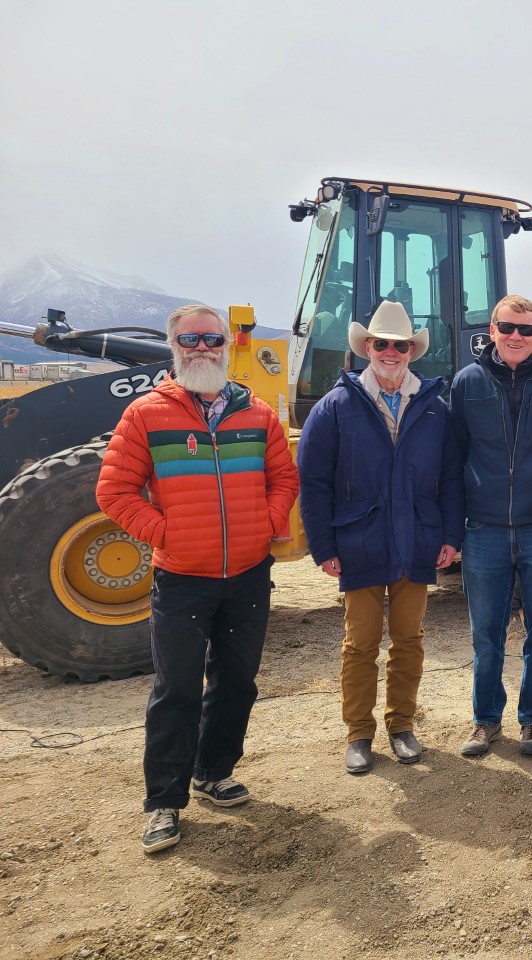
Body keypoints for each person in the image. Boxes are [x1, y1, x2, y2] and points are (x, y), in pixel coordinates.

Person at [96, 304, 298, 854]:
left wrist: (268, 524)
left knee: (237, 683)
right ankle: (163, 800)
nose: (202, 347)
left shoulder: (257, 414)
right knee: (176, 691)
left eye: (212, 338)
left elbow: (283, 477)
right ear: (174, 346)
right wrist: (167, 534)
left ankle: (213, 770)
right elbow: (113, 492)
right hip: (183, 578)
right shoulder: (146, 415)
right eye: (191, 339)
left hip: (249, 576)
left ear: (227, 345)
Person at [297, 300, 464, 776]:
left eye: (400, 344)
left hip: (417, 541)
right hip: (360, 543)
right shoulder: (336, 407)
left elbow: (451, 479)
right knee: (361, 643)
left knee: (409, 639)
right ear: (367, 347)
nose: (391, 351)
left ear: (412, 351)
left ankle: (401, 726)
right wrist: (324, 547)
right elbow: (314, 482)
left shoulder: (436, 409)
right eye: (382, 343)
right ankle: (359, 734)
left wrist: (451, 535)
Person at [449, 294, 532, 758]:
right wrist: (452, 530)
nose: (517, 337)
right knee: (486, 633)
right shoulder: (467, 383)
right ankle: (485, 720)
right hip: (483, 530)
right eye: (508, 328)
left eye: (526, 329)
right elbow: (451, 461)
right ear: (493, 330)